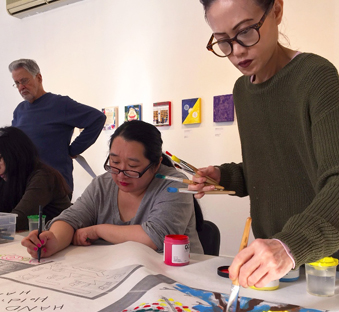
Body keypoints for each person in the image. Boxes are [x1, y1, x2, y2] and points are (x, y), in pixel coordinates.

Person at [192, 0, 339, 287]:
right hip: (274, 269)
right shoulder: (242, 90)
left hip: (326, 269)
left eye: (246, 31)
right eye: (223, 42)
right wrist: (226, 176)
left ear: (276, 10)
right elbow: (274, 168)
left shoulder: (314, 75)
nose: (236, 52)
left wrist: (289, 246)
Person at [21, 120, 203, 259]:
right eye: (115, 162)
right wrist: (54, 240)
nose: (121, 175)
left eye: (132, 166)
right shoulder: (103, 185)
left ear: (156, 165)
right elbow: (70, 218)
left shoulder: (174, 183)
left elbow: (154, 237)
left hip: (175, 279)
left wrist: (97, 230)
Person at [9, 58, 106, 194]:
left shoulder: (60, 104)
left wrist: (73, 150)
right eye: (17, 83)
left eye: (24, 81)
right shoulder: (20, 110)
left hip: (54, 186)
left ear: (38, 77)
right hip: (25, 185)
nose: (21, 87)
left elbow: (97, 118)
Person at [0, 127, 71, 231]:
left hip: (55, 242)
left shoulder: (43, 177)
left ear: (15, 155)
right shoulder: (7, 177)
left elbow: (19, 220)